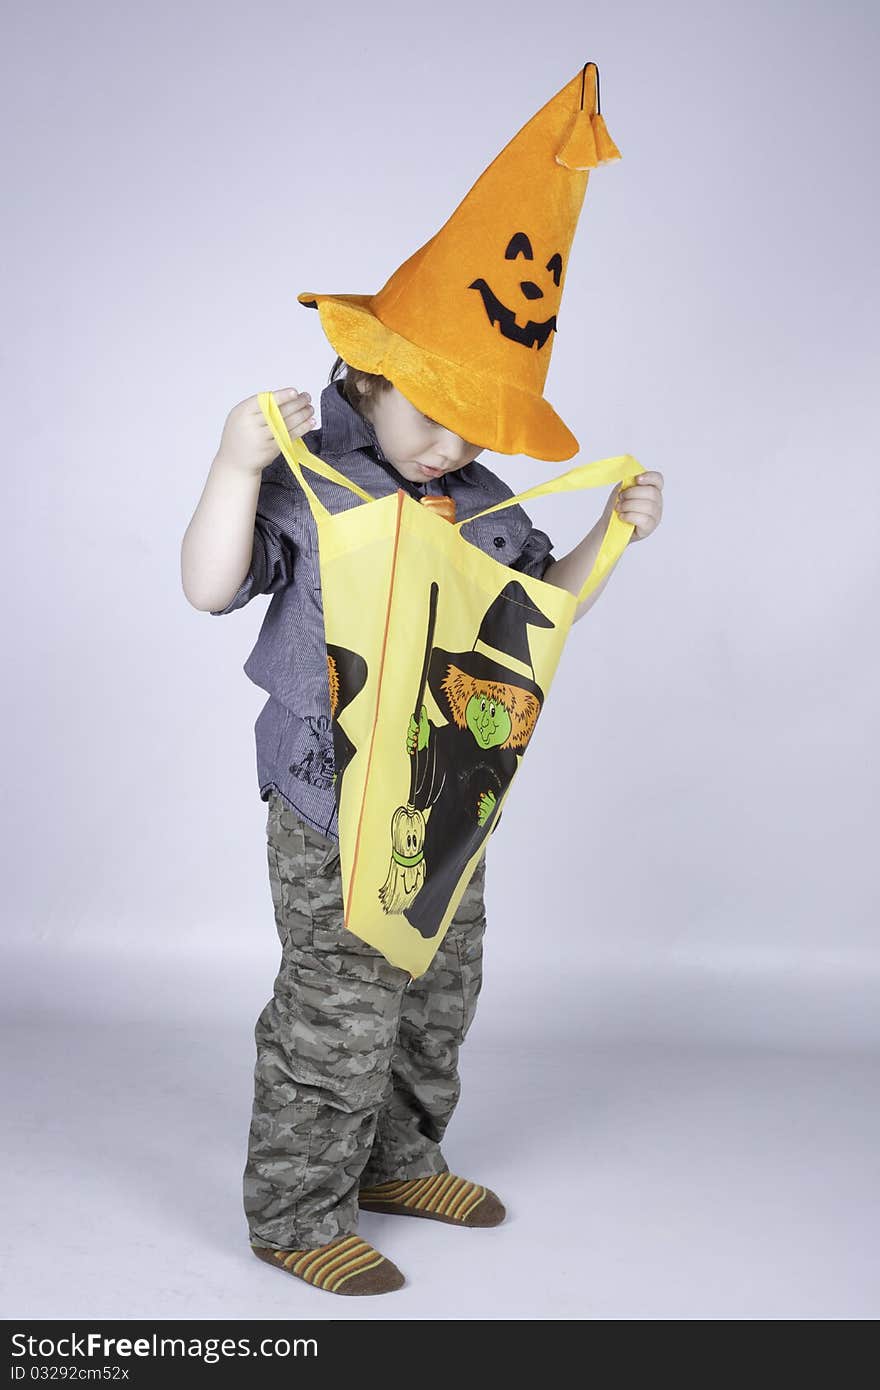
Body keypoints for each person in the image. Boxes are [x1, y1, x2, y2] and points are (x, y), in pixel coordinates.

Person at [180, 364, 663, 1296]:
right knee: (339, 1004)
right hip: (330, 792)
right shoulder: (311, 481)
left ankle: (399, 1160)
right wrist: (235, 468)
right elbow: (210, 587)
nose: (455, 446)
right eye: (439, 416)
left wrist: (610, 535)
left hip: (444, 791)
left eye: (479, 427)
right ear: (367, 385)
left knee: (441, 981)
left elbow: (535, 615)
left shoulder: (481, 499)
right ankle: (296, 1214)